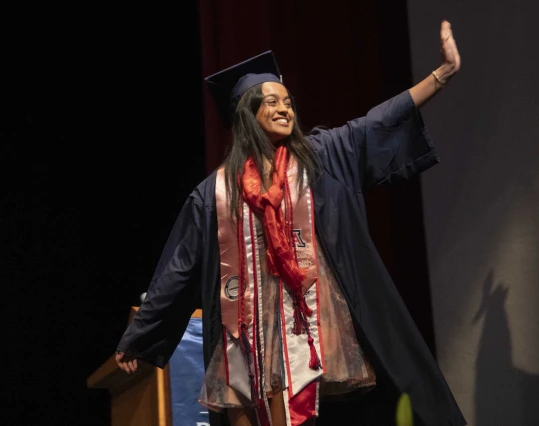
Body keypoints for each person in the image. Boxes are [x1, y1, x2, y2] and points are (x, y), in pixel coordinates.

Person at [116, 20, 465, 426]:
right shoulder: (215, 193)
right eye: (272, 102)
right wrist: (140, 335)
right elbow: (180, 266)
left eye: (288, 101)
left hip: (308, 326)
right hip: (243, 336)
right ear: (247, 114)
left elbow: (377, 122)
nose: (285, 109)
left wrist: (441, 74)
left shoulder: (321, 157)